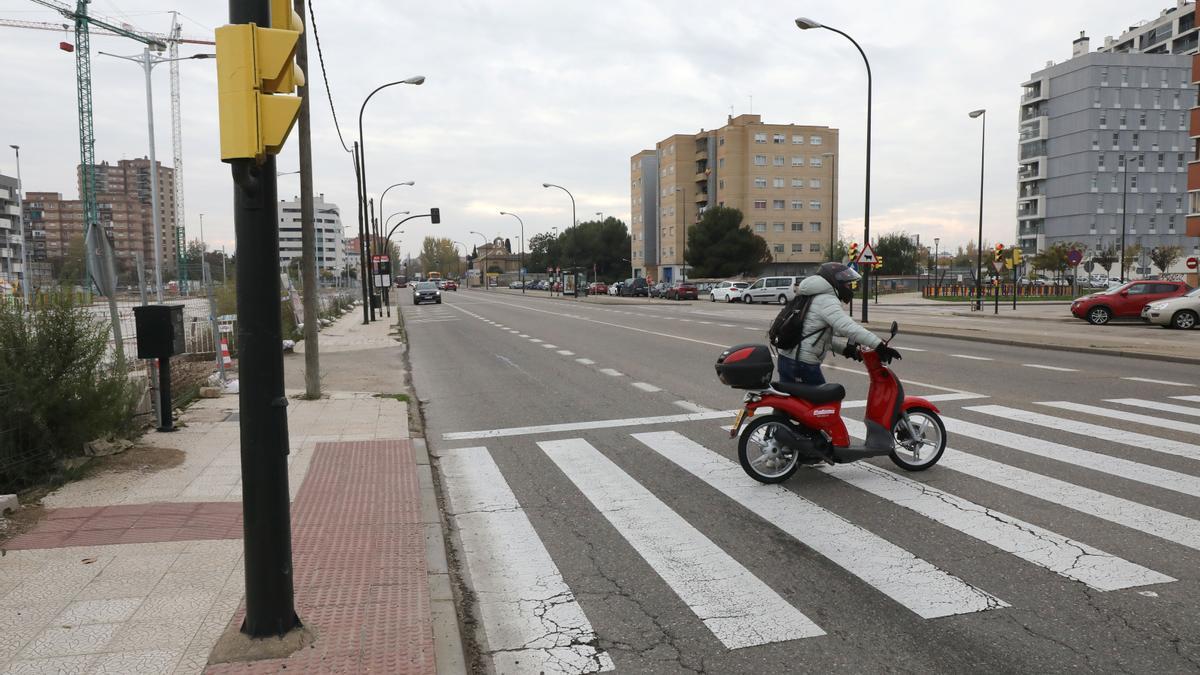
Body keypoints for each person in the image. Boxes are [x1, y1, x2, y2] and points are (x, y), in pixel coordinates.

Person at [776, 262, 902, 385]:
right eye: (847, 285)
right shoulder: (826, 299)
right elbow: (847, 327)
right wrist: (879, 346)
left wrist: (849, 351)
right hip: (802, 365)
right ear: (836, 283)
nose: (848, 288)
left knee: (794, 403)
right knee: (827, 401)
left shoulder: (809, 296)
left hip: (786, 361)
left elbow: (816, 338)